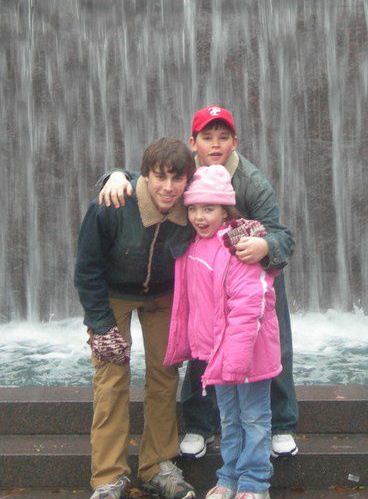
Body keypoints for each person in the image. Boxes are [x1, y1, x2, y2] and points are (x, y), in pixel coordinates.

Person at [98, 105, 298, 458]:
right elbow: (151, 176)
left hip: (251, 272)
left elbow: (283, 235)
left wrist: (266, 246)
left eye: (223, 137)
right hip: (203, 269)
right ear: (193, 143)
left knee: (272, 340)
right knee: (200, 341)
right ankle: (199, 424)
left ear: (235, 142)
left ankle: (281, 424)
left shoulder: (252, 183)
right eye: (207, 138)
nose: (215, 145)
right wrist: (114, 175)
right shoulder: (184, 172)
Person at [74, 138, 198, 499]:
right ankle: (108, 477)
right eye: (160, 177)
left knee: (165, 372)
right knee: (111, 375)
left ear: (188, 180)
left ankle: (158, 465)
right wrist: (101, 325)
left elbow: (226, 210)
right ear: (144, 176)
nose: (168, 187)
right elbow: (87, 271)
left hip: (162, 294)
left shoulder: (192, 205)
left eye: (177, 179)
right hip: (113, 293)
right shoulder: (111, 206)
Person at [164, 164, 281, 499]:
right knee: (229, 418)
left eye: (209, 209)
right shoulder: (192, 246)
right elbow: (192, 304)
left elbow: (249, 305)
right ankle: (228, 476)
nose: (200, 217)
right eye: (193, 209)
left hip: (250, 354)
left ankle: (255, 482)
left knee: (254, 418)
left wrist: (237, 358)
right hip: (218, 354)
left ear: (225, 210)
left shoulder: (238, 246)